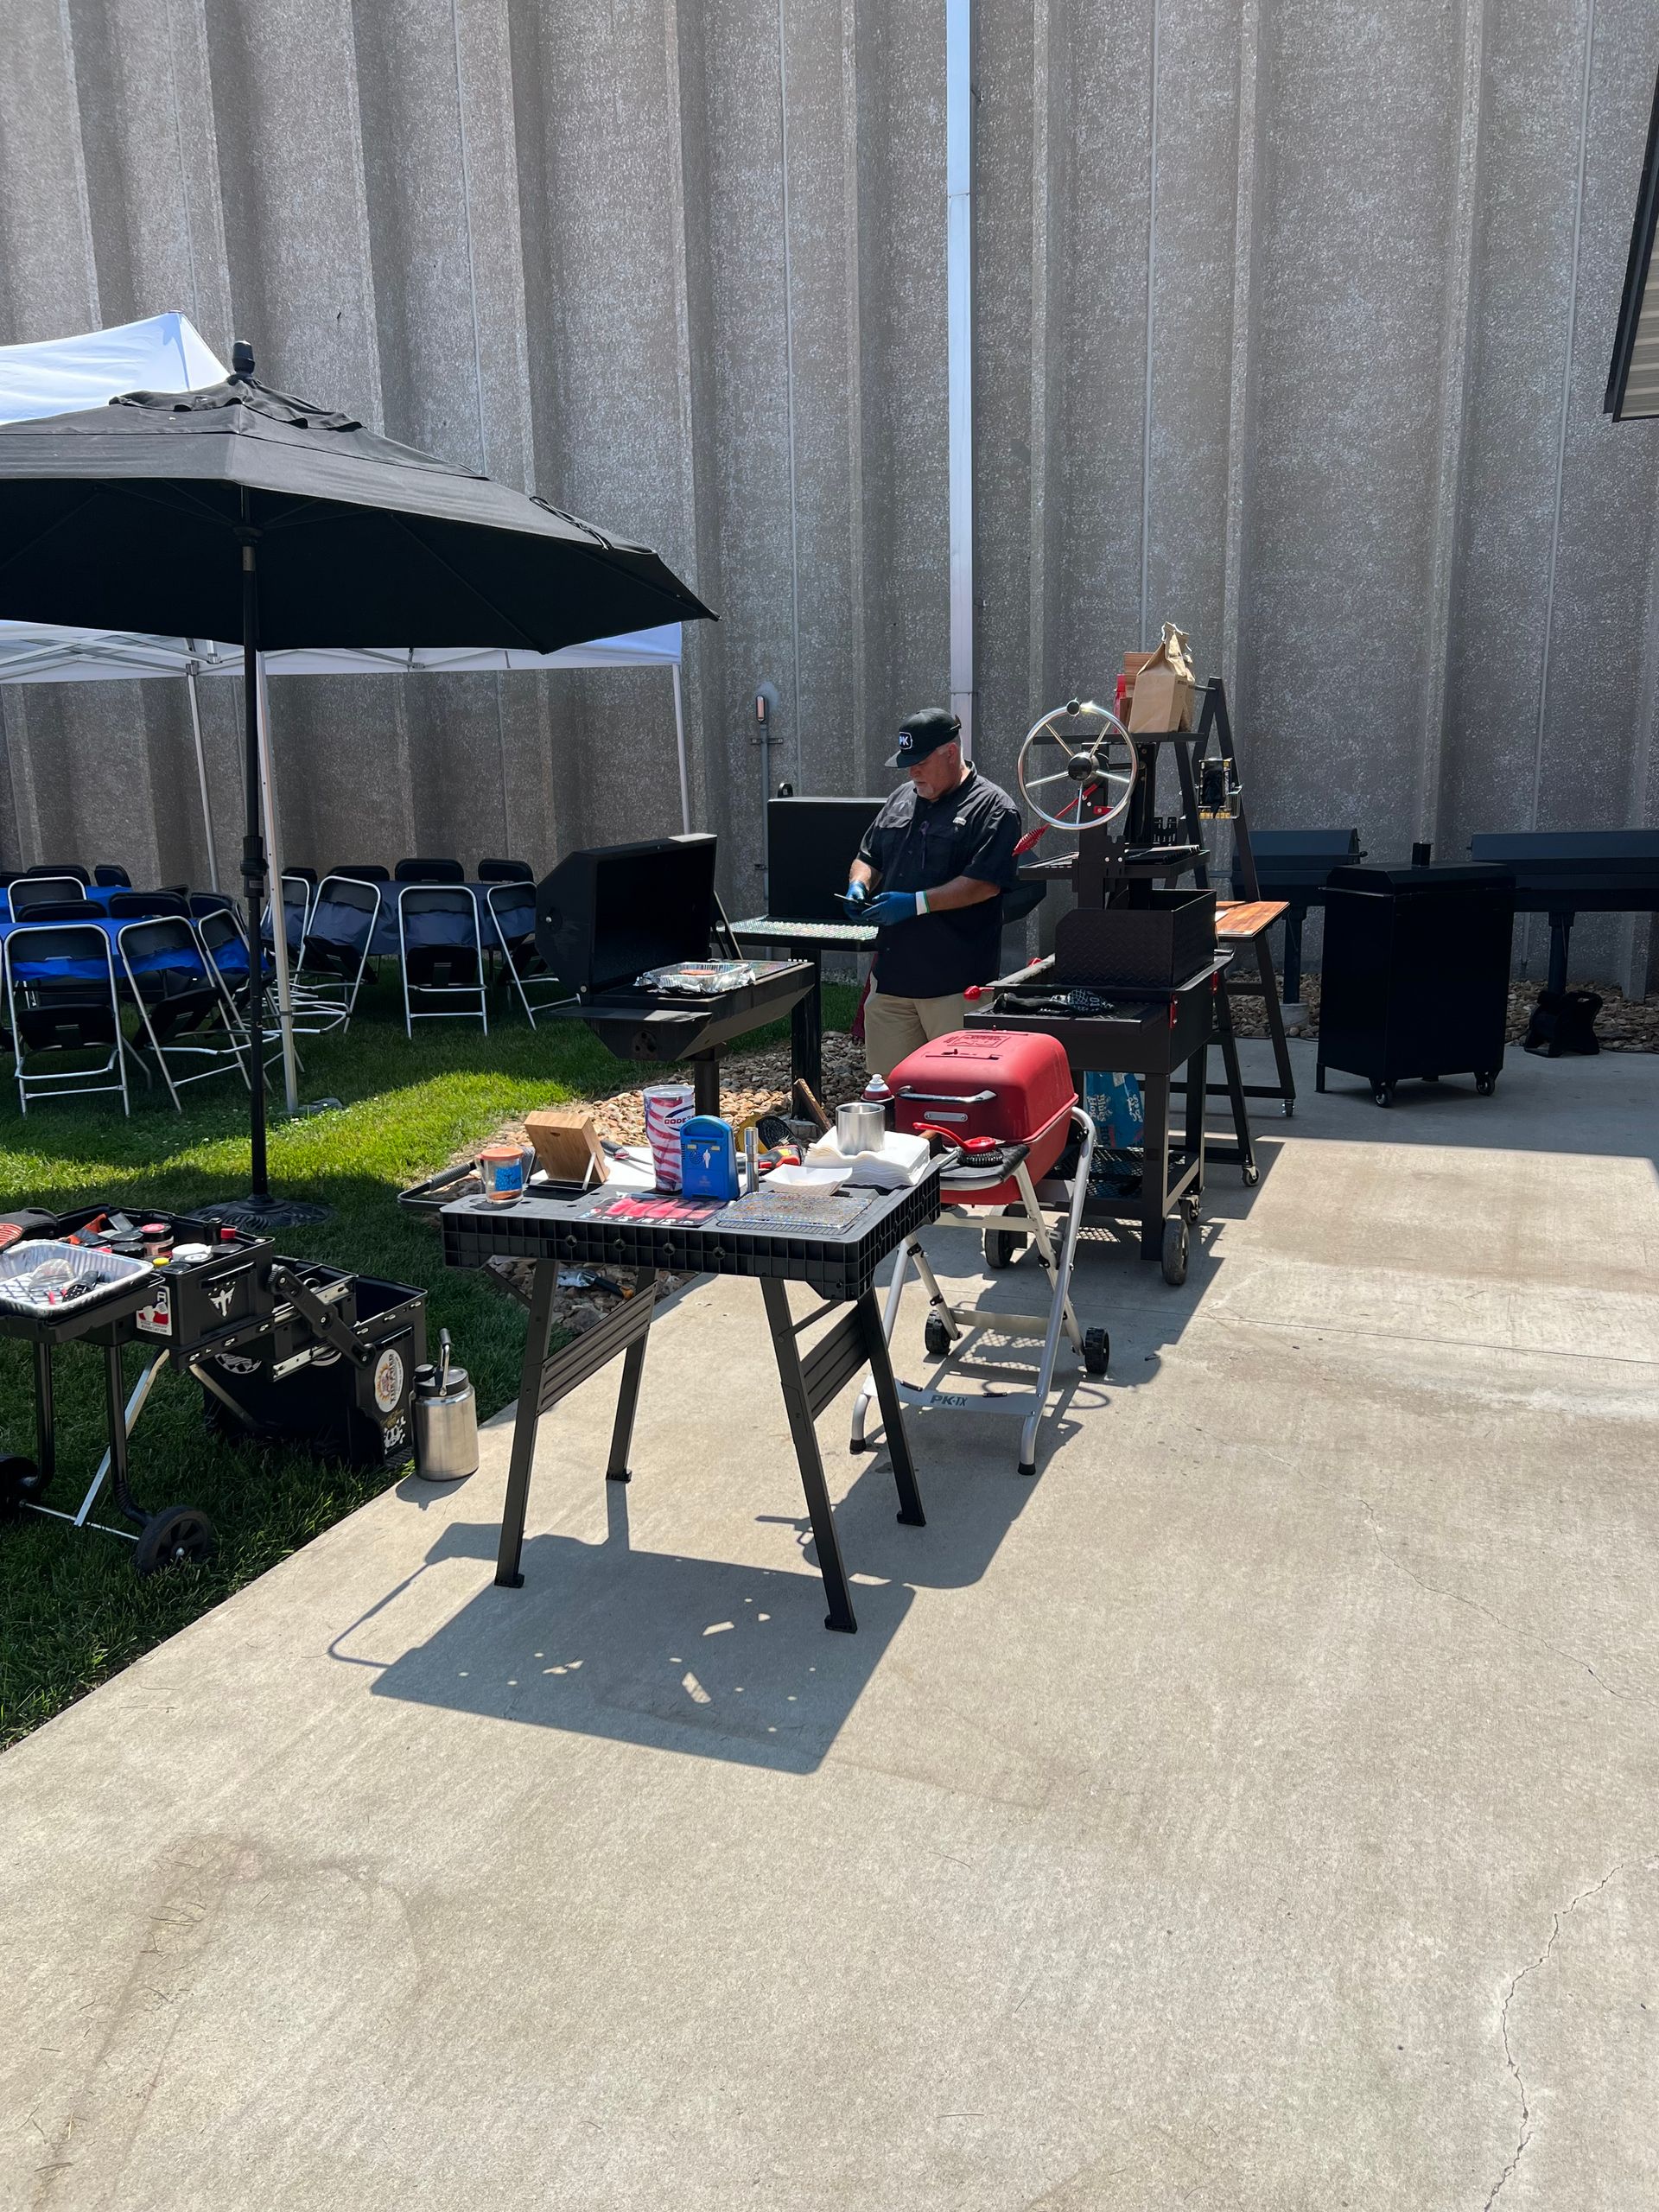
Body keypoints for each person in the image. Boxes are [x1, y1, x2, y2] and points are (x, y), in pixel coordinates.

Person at [847, 706, 1023, 1077]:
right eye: (906, 763)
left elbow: (985, 883)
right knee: (888, 1092)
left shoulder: (993, 808)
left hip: (955, 987)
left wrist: (917, 904)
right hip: (893, 980)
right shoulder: (901, 798)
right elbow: (869, 855)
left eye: (920, 762)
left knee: (955, 1096)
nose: (912, 772)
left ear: (950, 753)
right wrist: (858, 884)